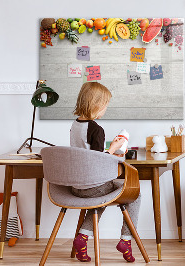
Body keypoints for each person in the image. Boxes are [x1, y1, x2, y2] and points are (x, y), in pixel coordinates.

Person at [70, 82, 140, 263]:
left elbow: (87, 154)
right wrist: (115, 148)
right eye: (105, 105)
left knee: (100, 197)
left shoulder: (75, 125)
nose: (105, 109)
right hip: (93, 186)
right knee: (135, 194)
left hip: (76, 186)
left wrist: (109, 149)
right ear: (96, 105)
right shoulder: (96, 129)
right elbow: (98, 161)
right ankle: (126, 240)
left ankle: (82, 238)